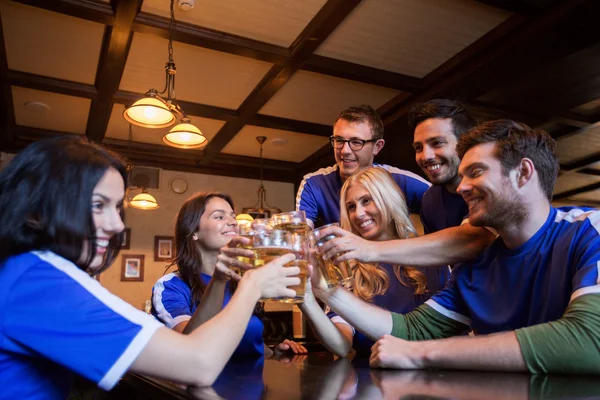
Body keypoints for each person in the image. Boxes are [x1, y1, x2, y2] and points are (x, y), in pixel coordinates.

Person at [0, 136, 301, 399]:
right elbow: (197, 364)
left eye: (117, 208)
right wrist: (253, 285)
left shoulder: (25, 273)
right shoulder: (39, 284)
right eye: (97, 205)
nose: (118, 224)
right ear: (37, 209)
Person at [310, 120, 600, 374]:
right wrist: (324, 290)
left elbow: (590, 339)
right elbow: (413, 331)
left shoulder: (589, 231)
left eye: (476, 172)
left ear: (523, 173)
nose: (461, 187)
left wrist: (421, 354)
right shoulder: (476, 264)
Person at [308, 100, 496, 269]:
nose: (426, 156)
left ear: (464, 145)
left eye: (437, 143)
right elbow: (443, 264)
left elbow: (472, 240)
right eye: (418, 148)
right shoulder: (430, 200)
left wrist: (370, 249)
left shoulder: (489, 187)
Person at [300, 168, 450, 357]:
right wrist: (306, 299)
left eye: (366, 201)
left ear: (388, 199)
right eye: (351, 207)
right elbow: (342, 345)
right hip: (372, 380)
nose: (359, 214)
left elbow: (449, 331)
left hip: (433, 377)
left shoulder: (429, 255)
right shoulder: (347, 268)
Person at [152, 192, 307, 357]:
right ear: (193, 231)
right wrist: (219, 279)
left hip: (252, 382)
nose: (233, 222)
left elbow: (245, 342)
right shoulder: (170, 286)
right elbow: (188, 344)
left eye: (233, 216)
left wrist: (273, 353)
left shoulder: (241, 281)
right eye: (219, 217)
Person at [295, 104, 430, 228]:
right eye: (339, 141)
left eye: (356, 142)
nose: (345, 151)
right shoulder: (314, 184)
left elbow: (445, 204)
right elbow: (300, 236)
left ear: (377, 147)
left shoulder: (400, 180)